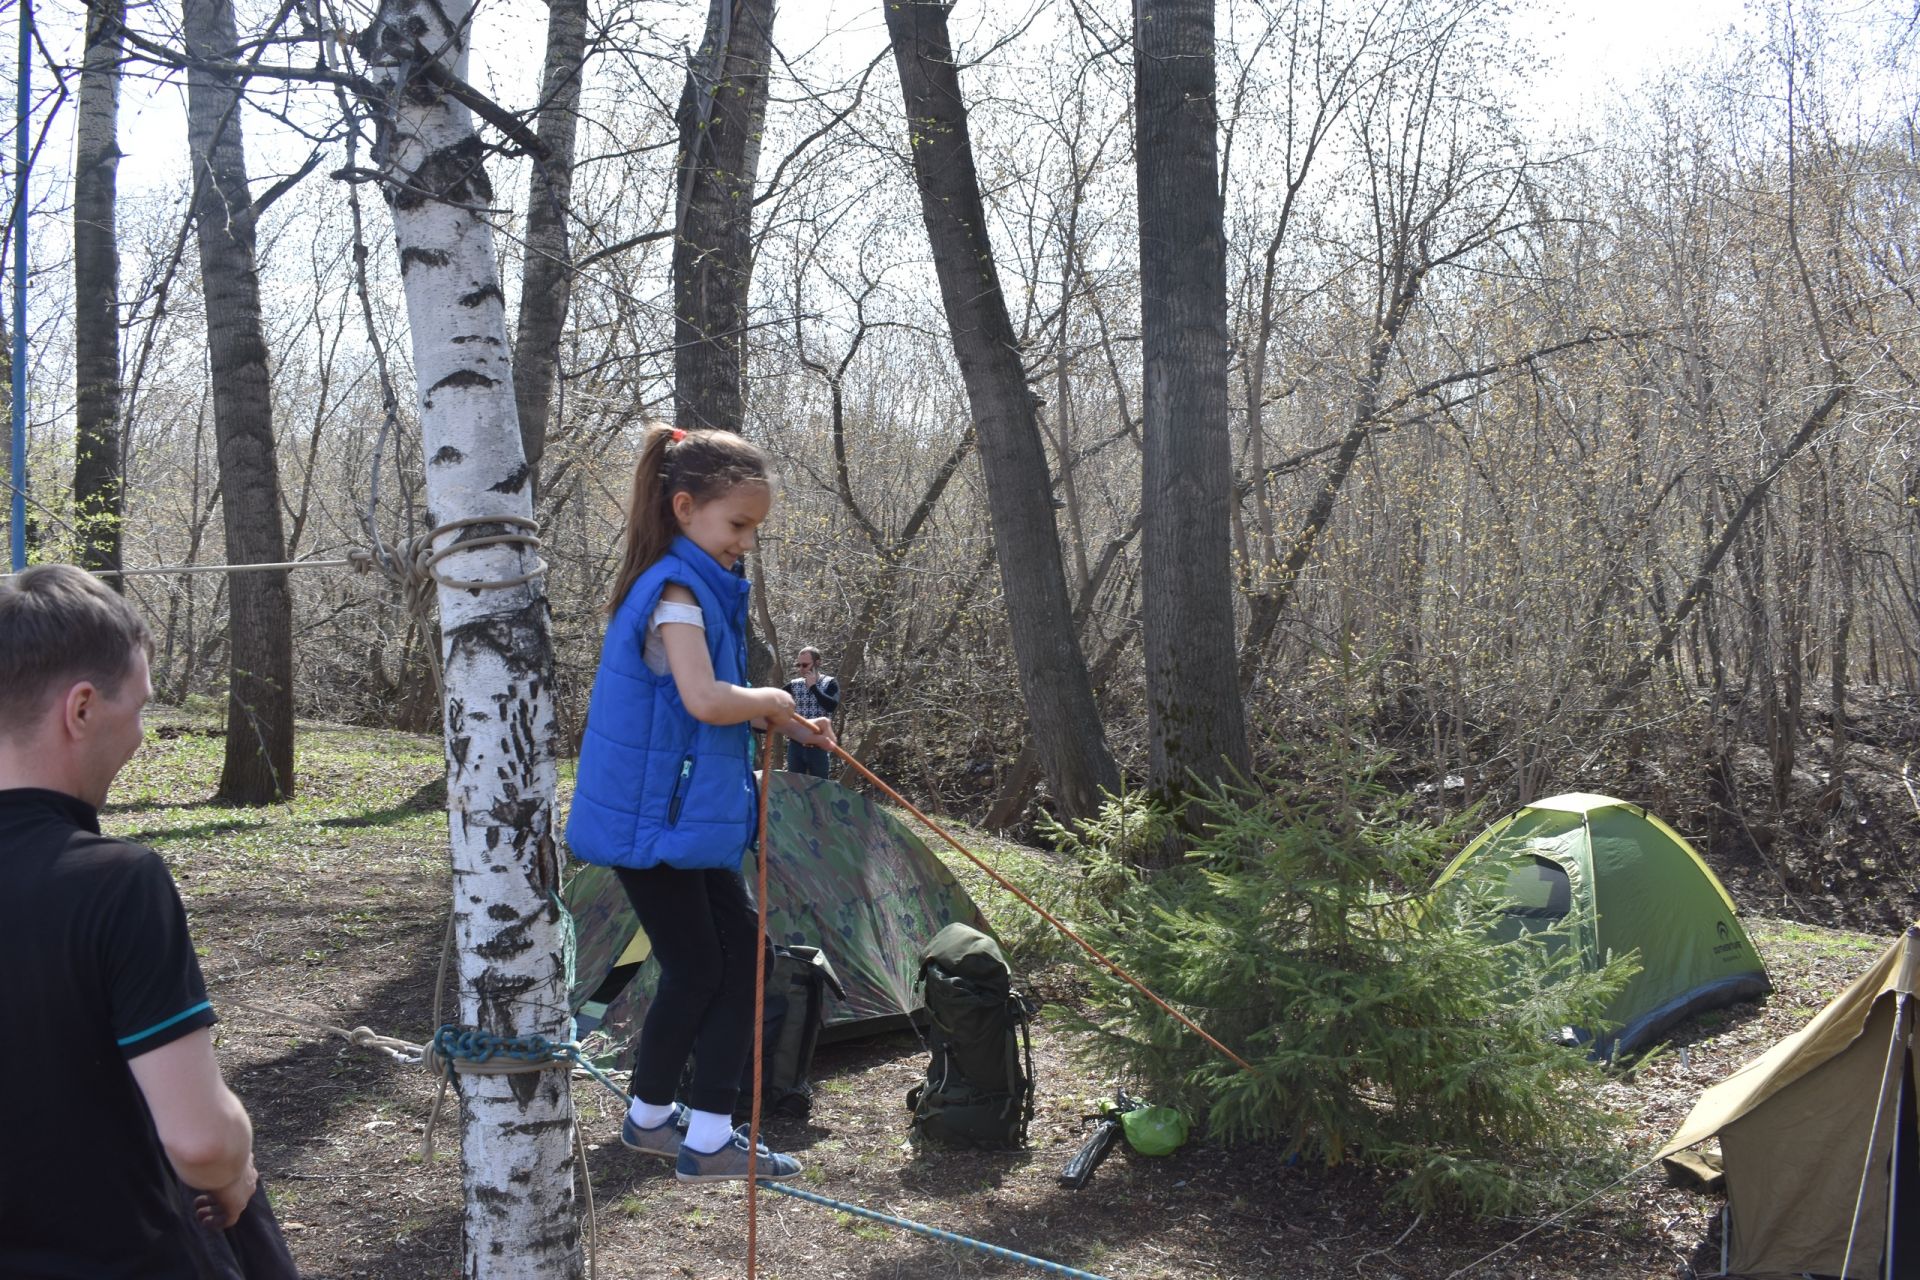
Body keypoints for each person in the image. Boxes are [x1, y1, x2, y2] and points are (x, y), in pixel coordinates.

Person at [566, 425, 834, 1184]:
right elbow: (704, 697)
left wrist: (782, 718)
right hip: (653, 825)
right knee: (720, 968)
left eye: (755, 528)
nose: (747, 541)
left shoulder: (698, 590)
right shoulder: (678, 595)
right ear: (685, 508)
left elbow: (702, 710)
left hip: (677, 823)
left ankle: (653, 1118)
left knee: (727, 963)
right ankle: (709, 1133)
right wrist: (773, 694)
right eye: (737, 525)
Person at [0, 564, 277, 1277]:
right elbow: (200, 1143)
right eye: (141, 707)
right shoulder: (114, 883)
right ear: (82, 708)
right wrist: (237, 1164)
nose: (142, 736)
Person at [782, 647, 839, 779]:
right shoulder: (794, 684)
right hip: (795, 746)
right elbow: (776, 700)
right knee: (795, 786)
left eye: (805, 665)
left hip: (819, 747)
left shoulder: (830, 683)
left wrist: (813, 687)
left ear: (817, 663)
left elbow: (831, 706)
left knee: (820, 788)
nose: (801, 668)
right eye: (799, 665)